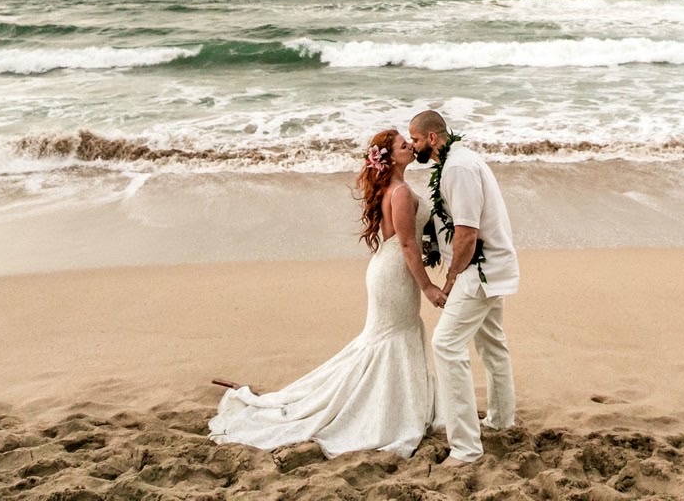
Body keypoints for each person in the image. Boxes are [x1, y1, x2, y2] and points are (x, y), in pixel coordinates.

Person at [209, 130, 445, 458]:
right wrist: (429, 286)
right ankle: (382, 412)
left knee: (388, 338)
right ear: (389, 159)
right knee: (389, 339)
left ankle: (399, 404)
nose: (410, 147)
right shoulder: (401, 192)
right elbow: (406, 244)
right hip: (395, 275)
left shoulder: (396, 188)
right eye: (403, 145)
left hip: (388, 271)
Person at [409, 108, 518, 464]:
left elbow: (467, 234)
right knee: (492, 344)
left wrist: (452, 277)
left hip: (480, 270)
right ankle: (501, 421)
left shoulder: (457, 168)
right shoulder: (458, 159)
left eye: (415, 139)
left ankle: (466, 448)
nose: (413, 147)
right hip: (493, 264)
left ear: (433, 138)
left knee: (445, 345)